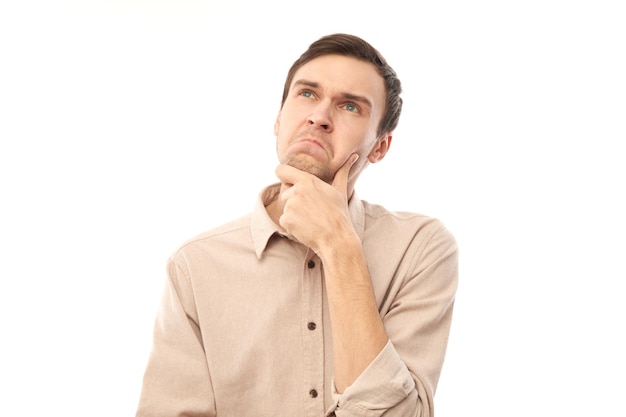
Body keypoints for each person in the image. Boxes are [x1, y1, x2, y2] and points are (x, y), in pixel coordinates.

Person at [135, 33, 458, 417]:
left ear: (380, 147)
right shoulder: (195, 265)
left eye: (350, 106)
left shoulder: (420, 248)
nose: (320, 117)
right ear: (277, 118)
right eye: (307, 94)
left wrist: (339, 246)